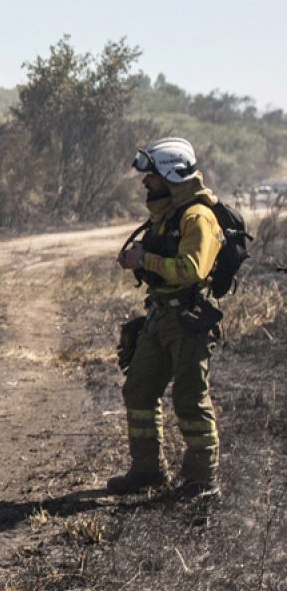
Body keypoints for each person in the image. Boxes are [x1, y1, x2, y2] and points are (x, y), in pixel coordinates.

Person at [112, 137, 224, 496]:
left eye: (152, 177)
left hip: (188, 320)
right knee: (139, 390)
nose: (146, 183)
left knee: (190, 399)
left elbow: (192, 269)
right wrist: (142, 256)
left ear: (171, 175)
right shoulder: (167, 216)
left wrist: (145, 260)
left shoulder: (198, 217)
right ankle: (148, 470)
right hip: (160, 316)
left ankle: (201, 481)